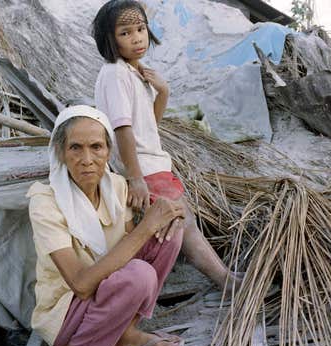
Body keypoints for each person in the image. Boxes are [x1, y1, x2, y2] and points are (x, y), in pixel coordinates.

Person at [92, 0, 240, 291]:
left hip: (153, 162)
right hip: (144, 168)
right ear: (110, 39)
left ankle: (224, 278)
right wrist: (135, 177)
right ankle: (225, 281)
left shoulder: (136, 73)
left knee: (182, 223)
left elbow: (149, 125)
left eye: (140, 29)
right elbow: (122, 128)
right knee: (183, 225)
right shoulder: (115, 73)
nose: (137, 37)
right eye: (125, 33)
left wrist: (163, 91)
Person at [27, 105, 187, 346]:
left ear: (108, 152)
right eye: (75, 148)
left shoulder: (116, 186)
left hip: (109, 296)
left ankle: (125, 331)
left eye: (96, 147)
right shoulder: (45, 202)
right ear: (61, 153)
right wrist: (145, 227)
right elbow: (81, 285)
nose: (87, 159)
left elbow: (126, 248)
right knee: (139, 274)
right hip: (67, 315)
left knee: (169, 237)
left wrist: (165, 220)